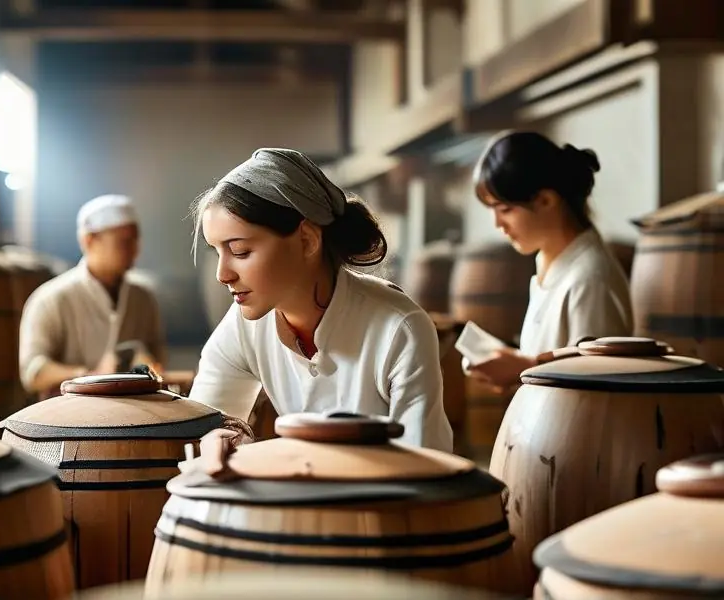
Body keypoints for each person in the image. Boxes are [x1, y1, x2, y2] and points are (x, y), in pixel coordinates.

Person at [188, 148, 454, 459]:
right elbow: (208, 423)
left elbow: (425, 466)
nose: (223, 274)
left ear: (307, 240)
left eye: (241, 251)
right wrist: (222, 439)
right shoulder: (242, 326)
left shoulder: (399, 327)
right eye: (216, 252)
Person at [465, 131, 633, 391]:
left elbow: (601, 379)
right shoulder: (552, 261)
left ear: (546, 200)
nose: (498, 224)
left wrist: (523, 367)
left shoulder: (590, 278)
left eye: (505, 209)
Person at [19, 194, 167, 397]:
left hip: (133, 416)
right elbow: (33, 372)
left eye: (135, 240)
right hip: (68, 419)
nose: (134, 249)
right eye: (124, 241)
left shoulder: (143, 298)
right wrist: (88, 376)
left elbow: (158, 360)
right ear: (89, 241)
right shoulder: (51, 299)